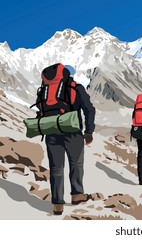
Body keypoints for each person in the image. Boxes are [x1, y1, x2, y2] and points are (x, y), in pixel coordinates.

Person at [36, 63, 95, 215]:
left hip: (51, 131)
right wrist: (89, 131)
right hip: (72, 132)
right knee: (76, 163)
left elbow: (40, 109)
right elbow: (89, 109)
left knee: (56, 168)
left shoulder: (45, 89)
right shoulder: (76, 87)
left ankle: (57, 204)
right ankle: (77, 195)